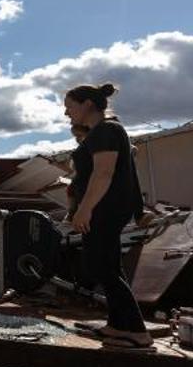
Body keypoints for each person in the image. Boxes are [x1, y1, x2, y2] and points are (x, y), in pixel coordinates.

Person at [65, 82, 152, 349]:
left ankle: (137, 332)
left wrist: (85, 208)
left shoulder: (106, 131)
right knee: (108, 265)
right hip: (106, 207)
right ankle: (118, 326)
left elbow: (103, 173)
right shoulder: (104, 132)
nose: (67, 114)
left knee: (100, 266)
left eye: (69, 107)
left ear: (87, 105)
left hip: (105, 208)